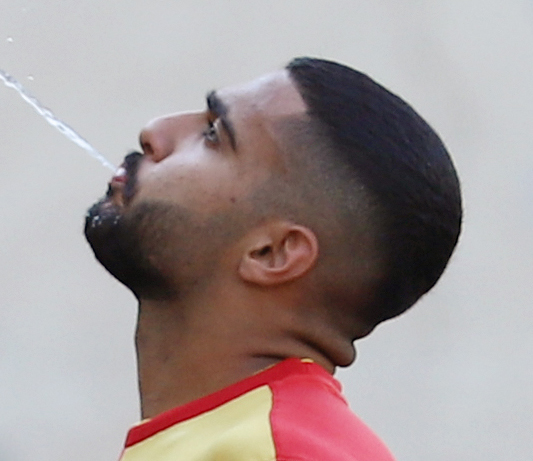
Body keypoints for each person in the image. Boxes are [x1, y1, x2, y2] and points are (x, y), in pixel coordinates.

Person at [84, 57, 462, 461]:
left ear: (272, 253)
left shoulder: (285, 453)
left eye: (213, 134)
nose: (154, 132)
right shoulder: (240, 441)